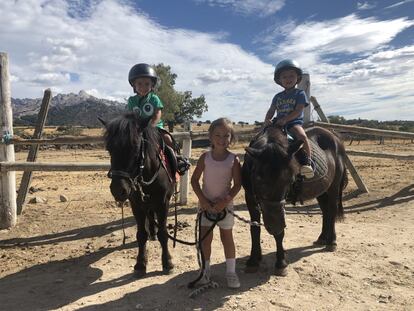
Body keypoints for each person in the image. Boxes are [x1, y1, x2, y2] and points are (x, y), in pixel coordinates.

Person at [191, 118, 242, 289]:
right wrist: (203, 201)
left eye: (226, 135)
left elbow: (237, 185)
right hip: (206, 206)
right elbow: (195, 181)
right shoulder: (205, 158)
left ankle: (231, 272)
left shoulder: (233, 160)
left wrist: (225, 201)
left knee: (227, 238)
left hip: (224, 207)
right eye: (218, 135)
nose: (222, 139)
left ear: (231, 137)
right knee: (205, 239)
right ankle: (206, 271)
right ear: (211, 137)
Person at [127, 63, 190, 176]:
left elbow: (157, 113)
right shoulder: (131, 101)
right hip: (138, 129)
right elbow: (130, 116)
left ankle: (176, 160)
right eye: (139, 84)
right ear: (134, 85)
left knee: (167, 138)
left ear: (152, 85)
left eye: (147, 84)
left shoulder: (154, 98)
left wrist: (151, 125)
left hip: (154, 127)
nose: (143, 87)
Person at [264, 59, 314, 178]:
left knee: (302, 136)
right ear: (279, 80)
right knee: (262, 138)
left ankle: (308, 162)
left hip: (293, 123)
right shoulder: (277, 96)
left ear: (298, 78)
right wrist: (267, 119)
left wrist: (286, 119)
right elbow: (271, 109)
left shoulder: (300, 93)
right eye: (284, 77)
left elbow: (298, 110)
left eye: (292, 76)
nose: (288, 79)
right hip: (278, 124)